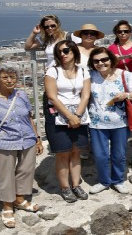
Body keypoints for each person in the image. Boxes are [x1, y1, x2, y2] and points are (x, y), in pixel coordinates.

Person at [0, 64, 43, 228]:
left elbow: (29, 118)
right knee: (5, 174)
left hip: (27, 138)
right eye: (5, 77)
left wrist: (37, 138)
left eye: (13, 77)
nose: (10, 80)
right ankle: (7, 206)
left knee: (26, 170)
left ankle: (19, 198)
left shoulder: (21, 95)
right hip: (5, 141)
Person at [86, 47, 132, 194]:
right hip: (96, 122)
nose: (101, 63)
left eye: (104, 59)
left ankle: (118, 180)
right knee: (100, 154)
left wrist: (126, 95)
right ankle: (104, 181)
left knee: (119, 154)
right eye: (96, 61)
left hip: (120, 122)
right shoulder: (90, 76)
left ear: (111, 59)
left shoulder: (125, 75)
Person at [44, 40, 91, 202]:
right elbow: (51, 96)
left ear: (74, 52)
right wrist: (69, 116)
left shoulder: (83, 71)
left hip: (79, 115)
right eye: (59, 52)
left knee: (76, 151)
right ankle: (65, 187)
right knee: (63, 153)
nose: (62, 54)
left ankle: (76, 184)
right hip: (58, 116)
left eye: (66, 51)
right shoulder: (53, 71)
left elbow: (85, 95)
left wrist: (77, 115)